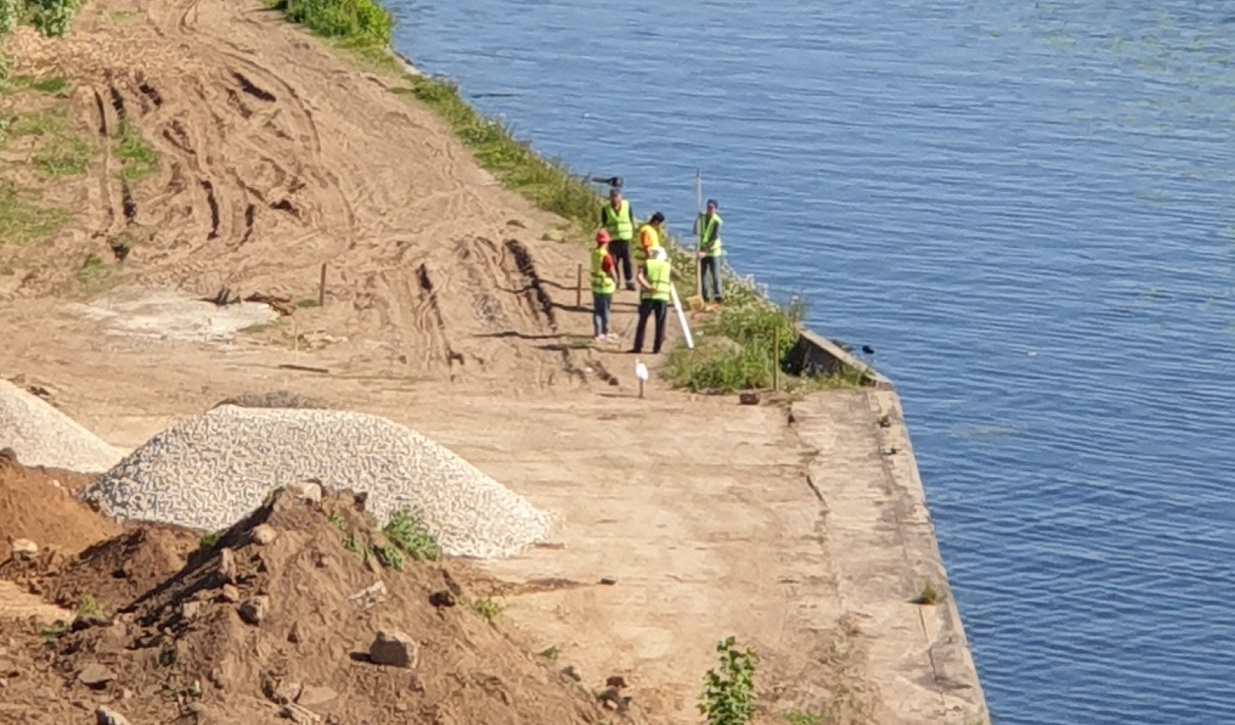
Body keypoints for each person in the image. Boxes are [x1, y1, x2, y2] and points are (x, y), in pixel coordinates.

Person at [630, 246, 681, 355]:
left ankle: (637, 347)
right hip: (662, 297)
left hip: (647, 296)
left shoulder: (647, 263)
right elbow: (678, 276)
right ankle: (656, 348)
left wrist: (648, 286)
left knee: (642, 323)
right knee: (660, 323)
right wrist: (670, 264)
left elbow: (639, 276)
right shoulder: (667, 266)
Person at [600, 187, 636, 291]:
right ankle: (616, 281)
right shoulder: (605, 209)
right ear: (610, 198)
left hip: (625, 239)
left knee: (627, 261)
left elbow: (630, 219)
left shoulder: (627, 205)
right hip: (613, 240)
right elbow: (604, 224)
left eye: (616, 197)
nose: (614, 199)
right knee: (614, 262)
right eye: (612, 197)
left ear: (620, 197)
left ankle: (629, 282)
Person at [693, 198, 724, 303]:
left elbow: (713, 237)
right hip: (702, 249)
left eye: (711, 208)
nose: (709, 209)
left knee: (715, 275)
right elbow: (695, 231)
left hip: (713, 251)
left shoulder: (717, 221)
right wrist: (697, 220)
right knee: (702, 275)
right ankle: (704, 296)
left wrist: (705, 252)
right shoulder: (702, 217)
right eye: (708, 207)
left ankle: (718, 296)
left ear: (716, 209)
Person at [590, 229, 618, 341]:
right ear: (606, 242)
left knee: (597, 310)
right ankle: (604, 332)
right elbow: (611, 271)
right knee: (605, 311)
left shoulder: (594, 253)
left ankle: (597, 333)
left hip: (596, 286)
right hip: (606, 287)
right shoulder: (606, 256)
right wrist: (616, 280)